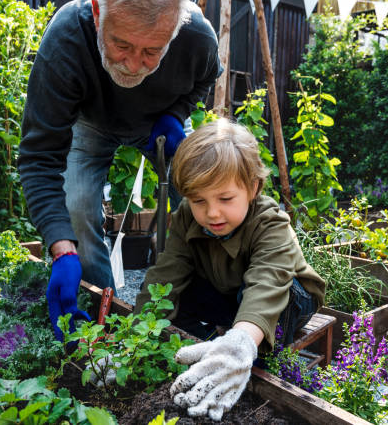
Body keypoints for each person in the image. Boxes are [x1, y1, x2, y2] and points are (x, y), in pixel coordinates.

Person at [17, 0, 221, 340]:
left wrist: (175, 115)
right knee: (76, 213)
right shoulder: (67, 37)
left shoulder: (196, 36)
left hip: (159, 123)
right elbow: (39, 157)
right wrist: (61, 248)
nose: (132, 64)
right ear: (98, 14)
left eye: (151, 52)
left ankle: (202, 306)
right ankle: (101, 317)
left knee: (204, 198)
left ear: (174, 30)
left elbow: (205, 78)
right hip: (90, 123)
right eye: (121, 44)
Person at [133, 119, 326, 420]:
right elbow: (166, 274)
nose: (211, 212)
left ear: (252, 188)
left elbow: (267, 283)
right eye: (198, 200)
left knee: (277, 298)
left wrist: (241, 344)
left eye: (225, 199)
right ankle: (209, 345)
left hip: (286, 296)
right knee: (173, 294)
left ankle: (249, 360)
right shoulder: (187, 217)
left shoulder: (270, 222)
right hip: (228, 291)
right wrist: (134, 339)